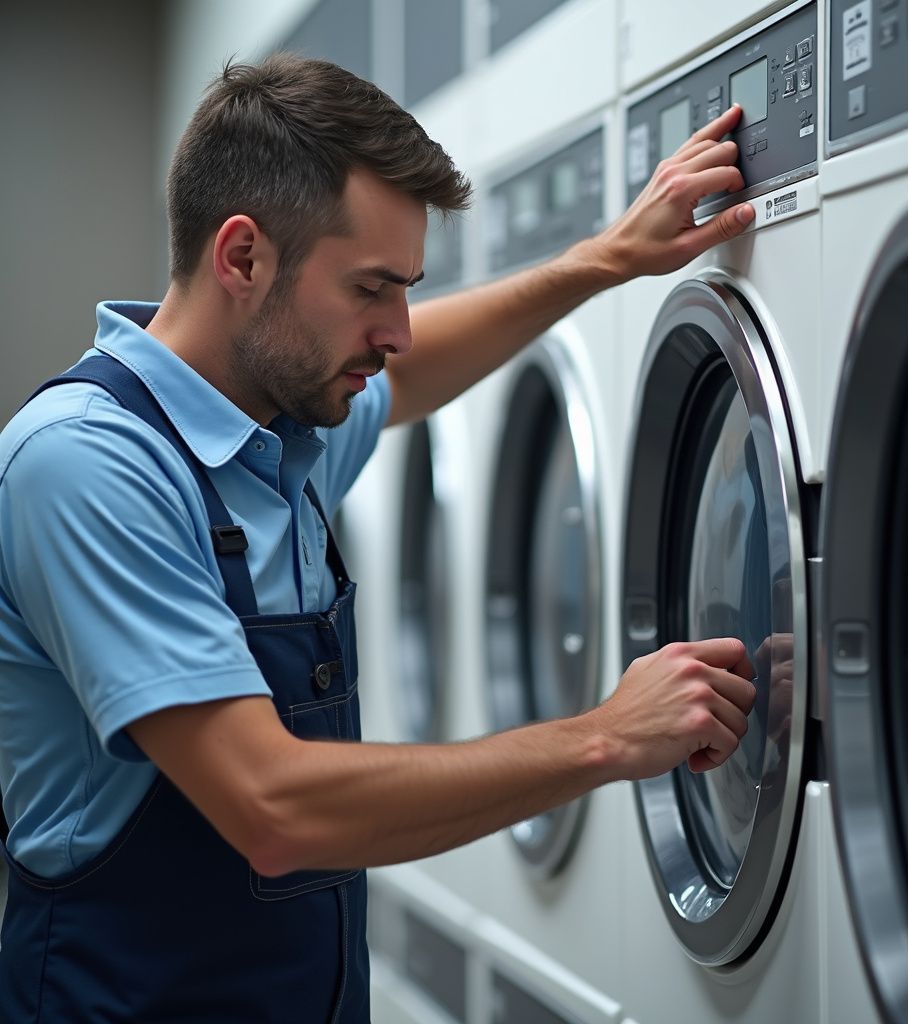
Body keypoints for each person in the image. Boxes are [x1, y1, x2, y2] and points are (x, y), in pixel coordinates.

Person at [0, 54, 757, 1023]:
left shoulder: (282, 427)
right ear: (242, 258)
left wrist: (603, 258)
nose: (396, 329)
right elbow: (273, 808)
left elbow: (424, 364)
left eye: (407, 288)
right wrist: (605, 735)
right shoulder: (88, 467)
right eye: (371, 289)